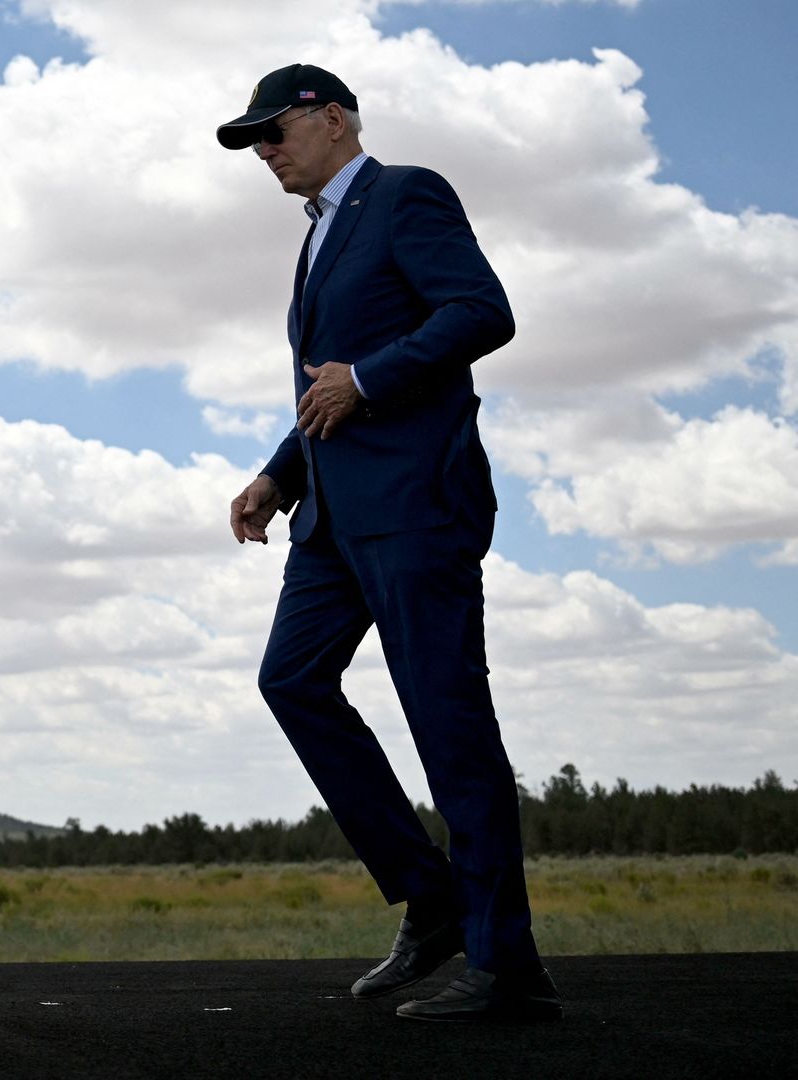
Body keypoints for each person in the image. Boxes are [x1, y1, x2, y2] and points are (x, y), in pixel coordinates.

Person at [217, 63, 560, 1021]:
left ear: (333, 118)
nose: (265, 152)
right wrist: (278, 475)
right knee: (290, 680)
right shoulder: (318, 237)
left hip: (415, 506)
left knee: (446, 720)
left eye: (273, 131)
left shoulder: (405, 192)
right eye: (253, 143)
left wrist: (365, 379)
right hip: (331, 518)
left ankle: (508, 967)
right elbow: (326, 382)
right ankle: (431, 896)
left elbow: (481, 312)